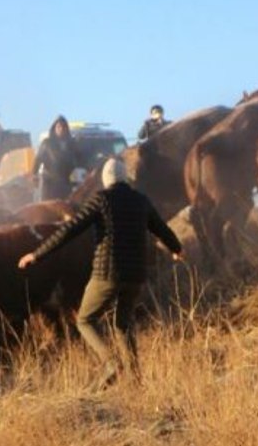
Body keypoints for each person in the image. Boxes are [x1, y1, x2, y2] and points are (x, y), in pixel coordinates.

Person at [18, 157, 184, 389]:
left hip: (107, 274)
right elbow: (160, 228)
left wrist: (37, 254)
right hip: (135, 276)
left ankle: (111, 363)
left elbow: (69, 230)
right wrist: (176, 248)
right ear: (125, 178)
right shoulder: (140, 201)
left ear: (106, 181)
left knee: (85, 320)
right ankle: (135, 381)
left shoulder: (101, 200)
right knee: (122, 325)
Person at [32, 115, 81, 201]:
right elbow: (38, 160)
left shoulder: (71, 145)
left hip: (65, 183)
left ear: (66, 129)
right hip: (50, 184)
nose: (61, 129)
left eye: (63, 127)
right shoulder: (47, 144)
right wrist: (34, 175)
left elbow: (79, 160)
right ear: (54, 128)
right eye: (58, 127)